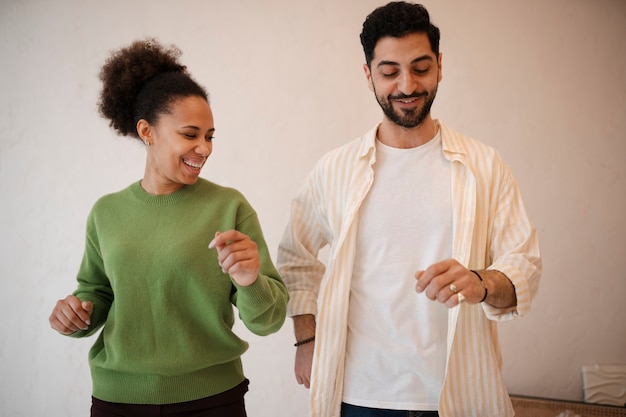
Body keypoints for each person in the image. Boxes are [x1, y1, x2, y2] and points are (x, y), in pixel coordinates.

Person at [277, 2, 541, 416]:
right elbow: (296, 258)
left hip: (459, 393)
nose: (407, 85)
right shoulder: (335, 169)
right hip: (359, 395)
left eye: (420, 68)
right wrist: (306, 340)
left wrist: (481, 281)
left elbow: (523, 265)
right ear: (368, 76)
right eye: (389, 72)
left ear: (439, 65)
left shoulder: (484, 165)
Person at [49, 38, 288, 417]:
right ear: (147, 132)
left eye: (209, 137)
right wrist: (75, 314)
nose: (205, 149)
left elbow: (268, 322)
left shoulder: (229, 207)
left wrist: (250, 281)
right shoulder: (106, 213)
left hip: (213, 400)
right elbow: (95, 292)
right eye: (190, 134)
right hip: (118, 401)